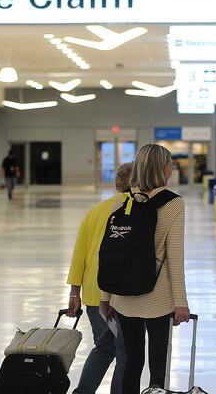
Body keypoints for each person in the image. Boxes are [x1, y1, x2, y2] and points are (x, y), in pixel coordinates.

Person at [101, 144, 189, 394]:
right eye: (170, 164)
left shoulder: (122, 199)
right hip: (158, 298)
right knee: (157, 365)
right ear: (162, 169)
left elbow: (108, 251)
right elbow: (174, 258)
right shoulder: (173, 204)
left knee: (131, 362)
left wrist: (105, 297)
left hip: (123, 297)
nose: (171, 169)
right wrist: (181, 302)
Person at [67, 162, 133, 394]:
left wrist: (75, 291)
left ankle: (82, 392)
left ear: (116, 184)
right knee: (127, 353)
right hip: (124, 293)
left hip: (94, 293)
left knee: (104, 346)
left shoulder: (95, 212)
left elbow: (79, 254)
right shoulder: (138, 211)